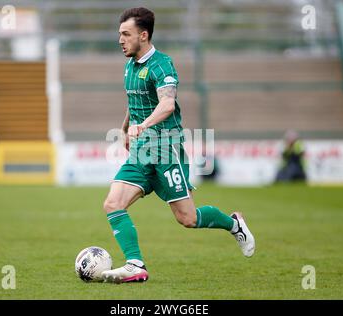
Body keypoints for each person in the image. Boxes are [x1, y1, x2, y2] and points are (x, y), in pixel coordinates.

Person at [100, 7, 255, 284]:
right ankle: (135, 264)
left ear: (143, 35)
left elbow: (167, 104)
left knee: (188, 218)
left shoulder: (162, 65)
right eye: (119, 34)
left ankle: (234, 224)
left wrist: (143, 125)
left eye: (126, 34)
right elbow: (134, 100)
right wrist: (125, 128)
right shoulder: (129, 66)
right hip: (140, 152)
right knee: (113, 203)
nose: (120, 40)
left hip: (165, 150)